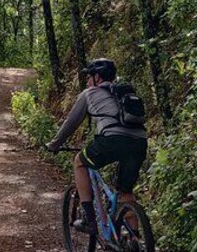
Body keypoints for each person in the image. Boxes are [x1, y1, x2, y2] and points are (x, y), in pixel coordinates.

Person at [45, 58, 147, 238]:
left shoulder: (89, 93)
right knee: (126, 191)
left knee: (80, 163)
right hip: (139, 141)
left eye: (89, 77)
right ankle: (134, 241)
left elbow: (71, 124)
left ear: (97, 77)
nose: (87, 81)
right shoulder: (123, 94)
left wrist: (54, 145)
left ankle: (89, 221)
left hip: (111, 140)